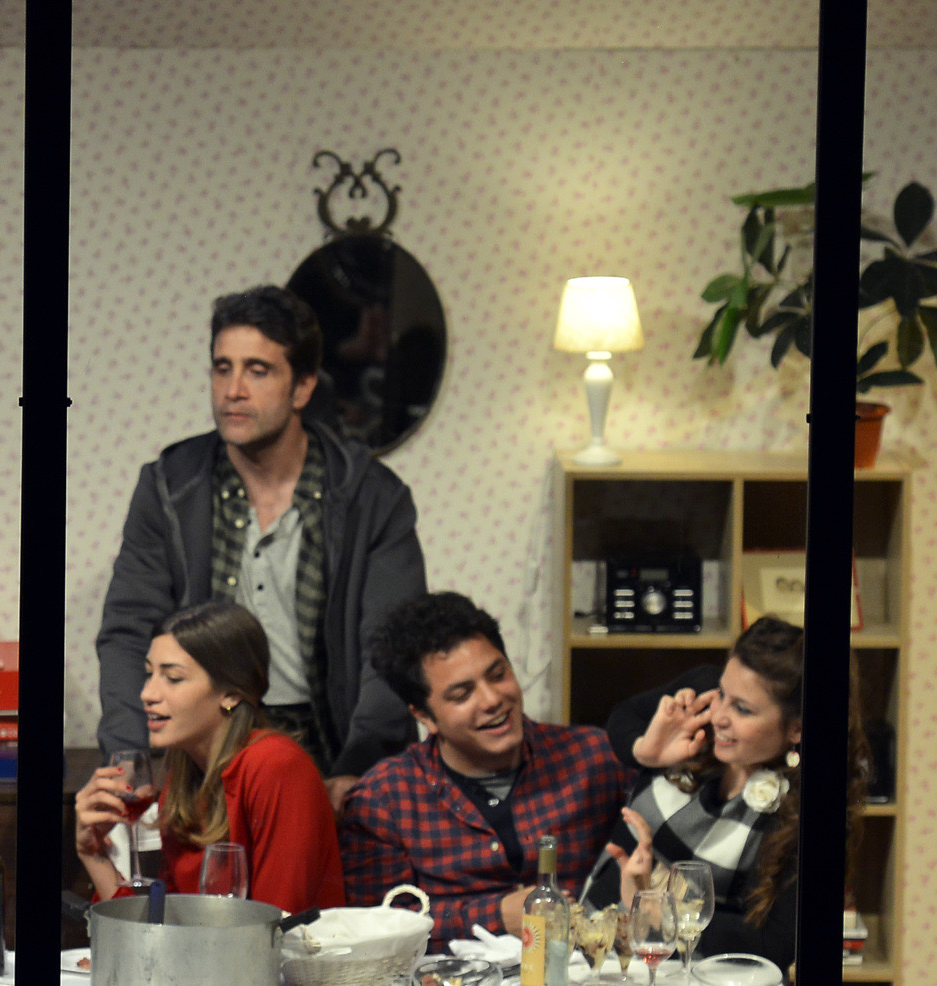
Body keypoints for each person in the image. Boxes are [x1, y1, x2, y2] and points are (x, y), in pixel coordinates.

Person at [95, 285, 429, 810]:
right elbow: (127, 630)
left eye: (258, 371)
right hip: (207, 748)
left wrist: (359, 768)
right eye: (222, 368)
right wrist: (128, 755)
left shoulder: (370, 495)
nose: (233, 390)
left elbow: (390, 648)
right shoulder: (170, 487)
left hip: (333, 748)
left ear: (302, 387)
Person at [338, 593, 633, 943]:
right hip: (450, 977)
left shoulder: (594, 757)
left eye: (498, 675)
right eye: (462, 695)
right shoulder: (383, 800)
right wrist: (497, 916)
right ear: (423, 715)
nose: (492, 699)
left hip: (583, 966)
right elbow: (376, 928)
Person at [586, 615, 864, 963]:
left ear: (797, 728)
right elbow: (625, 715)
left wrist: (660, 912)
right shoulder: (702, 700)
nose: (718, 716)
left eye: (742, 709)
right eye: (722, 693)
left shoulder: (808, 814)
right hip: (592, 943)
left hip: (687, 976)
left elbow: (776, 944)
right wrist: (644, 751)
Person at [72, 602, 343, 916]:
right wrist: (93, 854)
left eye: (173, 678)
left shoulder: (276, 765)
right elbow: (163, 926)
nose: (147, 693)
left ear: (231, 693)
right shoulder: (184, 773)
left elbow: (275, 925)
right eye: (149, 674)